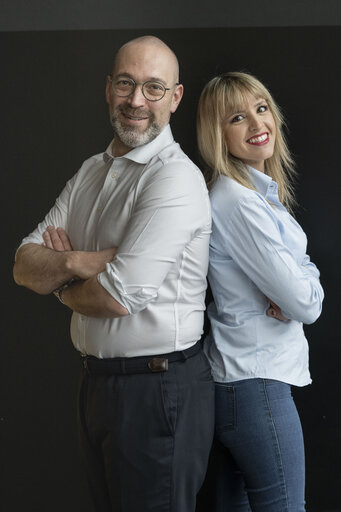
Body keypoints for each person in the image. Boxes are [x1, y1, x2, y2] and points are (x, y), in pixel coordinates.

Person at [13, 36, 214, 512]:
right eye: (126, 84)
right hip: (97, 386)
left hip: (157, 391)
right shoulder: (90, 173)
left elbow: (117, 297)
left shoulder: (174, 179)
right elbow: (23, 263)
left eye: (152, 87)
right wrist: (79, 262)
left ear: (175, 97)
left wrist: (58, 283)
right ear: (108, 88)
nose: (136, 101)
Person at [197, 71, 324, 512]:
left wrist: (299, 279)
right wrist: (304, 279)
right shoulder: (240, 204)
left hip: (241, 382)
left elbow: (297, 292)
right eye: (237, 117)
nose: (256, 124)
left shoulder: (252, 197)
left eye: (261, 108)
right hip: (257, 385)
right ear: (218, 134)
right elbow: (305, 304)